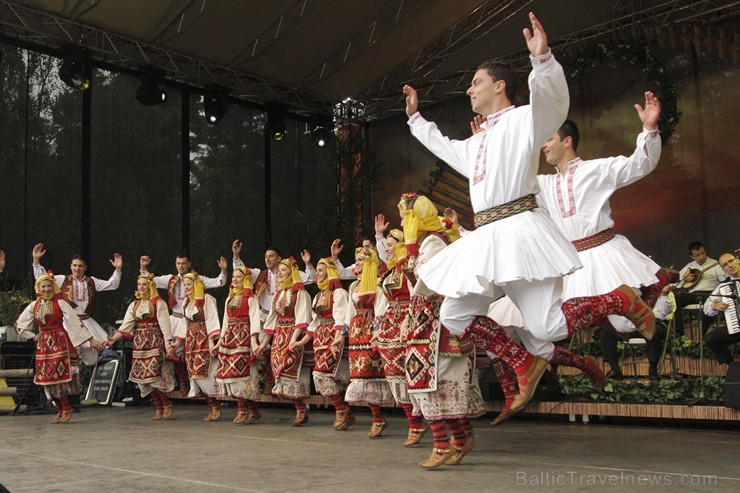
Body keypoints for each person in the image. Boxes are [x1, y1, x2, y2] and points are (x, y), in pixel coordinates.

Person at [401, 13, 654, 364]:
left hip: (519, 235)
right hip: (489, 241)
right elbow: (446, 146)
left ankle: (620, 300)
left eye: (476, 82)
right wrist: (415, 120)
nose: (469, 89)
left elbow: (551, 106)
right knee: (454, 315)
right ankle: (521, 365)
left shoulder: (524, 121)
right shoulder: (477, 143)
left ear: (500, 85)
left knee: (548, 326)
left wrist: (542, 60)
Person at [400, 194, 484, 468]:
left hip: (438, 326)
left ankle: (443, 444)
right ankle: (459, 441)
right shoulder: (429, 242)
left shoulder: (434, 242)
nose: (402, 222)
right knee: (428, 386)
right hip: (427, 324)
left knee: (431, 388)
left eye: (405, 217)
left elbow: (432, 282)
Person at [15, 272, 104, 423]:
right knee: (48, 378)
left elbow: (74, 322)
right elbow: (21, 324)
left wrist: (90, 339)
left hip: (60, 343)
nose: (46, 289)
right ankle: (61, 409)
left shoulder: (61, 303)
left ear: (53, 287)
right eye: (43, 286)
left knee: (60, 378)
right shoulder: (34, 305)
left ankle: (66, 408)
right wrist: (33, 335)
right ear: (38, 288)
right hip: (44, 345)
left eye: (49, 286)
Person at [140, 252, 227, 393]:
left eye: (183, 263)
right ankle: (183, 381)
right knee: (169, 352)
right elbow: (151, 281)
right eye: (178, 263)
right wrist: (143, 268)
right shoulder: (170, 279)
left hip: (192, 320)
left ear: (189, 264)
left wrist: (223, 270)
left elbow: (219, 282)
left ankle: (195, 385)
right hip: (174, 319)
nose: (180, 266)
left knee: (186, 354)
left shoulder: (197, 279)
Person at [375, 229, 427, 446]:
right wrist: (377, 329)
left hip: (408, 321)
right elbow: (383, 304)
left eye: (390, 244)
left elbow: (418, 295)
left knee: (411, 374)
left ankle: (419, 421)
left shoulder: (408, 269)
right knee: (394, 377)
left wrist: (408, 320)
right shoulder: (390, 273)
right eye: (385, 245)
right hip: (389, 326)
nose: (386, 249)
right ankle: (414, 422)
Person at [32, 243, 122, 366]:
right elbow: (42, 279)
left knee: (91, 360)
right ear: (70, 267)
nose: (77, 268)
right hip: (68, 322)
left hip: (87, 321)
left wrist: (118, 269)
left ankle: (86, 380)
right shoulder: (62, 280)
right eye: (74, 265)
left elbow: (113, 285)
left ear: (85, 267)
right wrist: (36, 261)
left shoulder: (91, 282)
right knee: (66, 356)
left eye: (80, 266)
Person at [105, 274, 175, 420]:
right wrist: (113, 339)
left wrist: (167, 343)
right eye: (139, 285)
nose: (142, 287)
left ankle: (166, 404)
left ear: (150, 286)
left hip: (154, 342)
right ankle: (158, 406)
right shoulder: (134, 305)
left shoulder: (158, 303)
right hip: (139, 344)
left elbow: (165, 326)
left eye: (145, 284)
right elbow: (126, 325)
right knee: (144, 378)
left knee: (154, 376)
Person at [344, 246, 396, 437]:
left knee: (371, 374)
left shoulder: (377, 283)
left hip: (371, 330)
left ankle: (391, 418)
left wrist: (377, 332)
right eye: (356, 260)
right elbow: (350, 311)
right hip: (357, 333)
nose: (357, 263)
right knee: (360, 375)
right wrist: (348, 331)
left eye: (360, 260)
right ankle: (378, 418)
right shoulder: (354, 286)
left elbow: (381, 309)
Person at [297, 257, 353, 430]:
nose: (318, 274)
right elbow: (314, 323)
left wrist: (338, 339)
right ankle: (346, 413)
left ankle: (341, 410)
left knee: (321, 375)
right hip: (320, 340)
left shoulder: (339, 293)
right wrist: (303, 341)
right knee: (333, 378)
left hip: (333, 339)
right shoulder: (318, 295)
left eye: (321, 270)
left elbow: (340, 318)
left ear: (330, 272)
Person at [256, 258, 313, 426]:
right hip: (279, 337)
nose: (279, 273)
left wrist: (295, 339)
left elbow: (303, 318)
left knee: (293, 371)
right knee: (281, 373)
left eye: (283, 270)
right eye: (278, 270)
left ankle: (302, 410)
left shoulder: (300, 293)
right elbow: (271, 320)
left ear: (291, 272)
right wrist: (263, 343)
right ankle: (299, 408)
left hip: (293, 336)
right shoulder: (279, 294)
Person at [213, 266, 262, 424]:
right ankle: (250, 410)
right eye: (233, 276)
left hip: (244, 339)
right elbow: (226, 322)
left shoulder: (251, 298)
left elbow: (254, 321)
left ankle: (245, 411)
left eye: (238, 277)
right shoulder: (230, 297)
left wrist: (254, 341)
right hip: (230, 340)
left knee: (243, 377)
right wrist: (220, 341)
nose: (234, 279)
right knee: (231, 376)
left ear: (246, 279)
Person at [594, 285, 675, 379]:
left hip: (650, 325)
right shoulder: (619, 295)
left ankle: (653, 368)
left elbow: (663, 313)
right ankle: (615, 369)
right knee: (605, 333)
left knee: (654, 331)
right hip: (629, 329)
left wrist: (664, 294)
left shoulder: (654, 291)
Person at [181, 271, 224, 421]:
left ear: (196, 285)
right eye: (184, 285)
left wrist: (213, 341)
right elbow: (185, 323)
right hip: (192, 340)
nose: (186, 288)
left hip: (204, 338)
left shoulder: (207, 299)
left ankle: (216, 406)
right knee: (195, 373)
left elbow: (212, 319)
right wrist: (181, 341)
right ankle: (212, 407)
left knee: (205, 373)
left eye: (188, 285)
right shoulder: (186, 302)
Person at [675, 242, 725, 336]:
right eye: (697, 255)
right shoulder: (689, 266)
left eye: (703, 253)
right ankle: (679, 334)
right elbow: (676, 284)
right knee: (674, 300)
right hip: (693, 294)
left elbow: (724, 280)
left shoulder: (715, 264)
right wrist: (684, 280)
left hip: (709, 294)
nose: (701, 257)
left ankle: (702, 337)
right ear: (692, 256)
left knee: (708, 305)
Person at [703, 253, 740, 372]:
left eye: (731, 261)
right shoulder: (724, 286)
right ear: (723, 269)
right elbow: (706, 307)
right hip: (737, 327)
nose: (729, 266)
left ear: (737, 261)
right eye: (725, 265)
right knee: (711, 339)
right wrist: (715, 305)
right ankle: (733, 365)